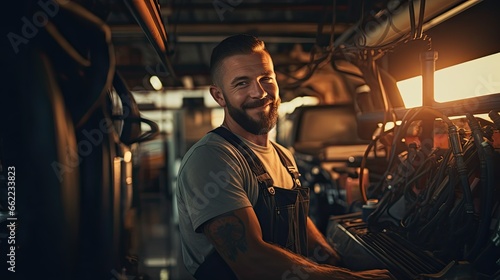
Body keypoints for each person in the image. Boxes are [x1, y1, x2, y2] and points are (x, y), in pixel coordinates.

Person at [176, 34, 393, 280]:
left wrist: (338, 263)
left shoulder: (283, 156)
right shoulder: (212, 158)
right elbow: (251, 261)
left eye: (266, 78)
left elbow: (299, 225)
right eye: (242, 84)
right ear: (219, 96)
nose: (259, 92)